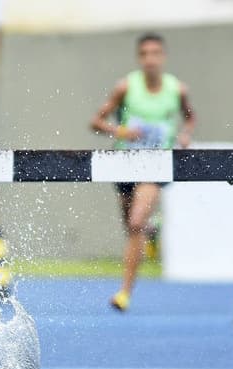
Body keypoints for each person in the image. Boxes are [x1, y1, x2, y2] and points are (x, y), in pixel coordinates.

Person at [90, 33, 196, 312]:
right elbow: (96, 122)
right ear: (139, 58)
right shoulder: (126, 87)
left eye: (156, 53)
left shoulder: (176, 90)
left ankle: (124, 292)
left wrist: (185, 134)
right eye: (145, 54)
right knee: (131, 225)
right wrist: (120, 130)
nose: (150, 59)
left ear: (163, 57)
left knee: (135, 221)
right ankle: (152, 230)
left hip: (157, 164)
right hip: (125, 162)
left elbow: (190, 116)